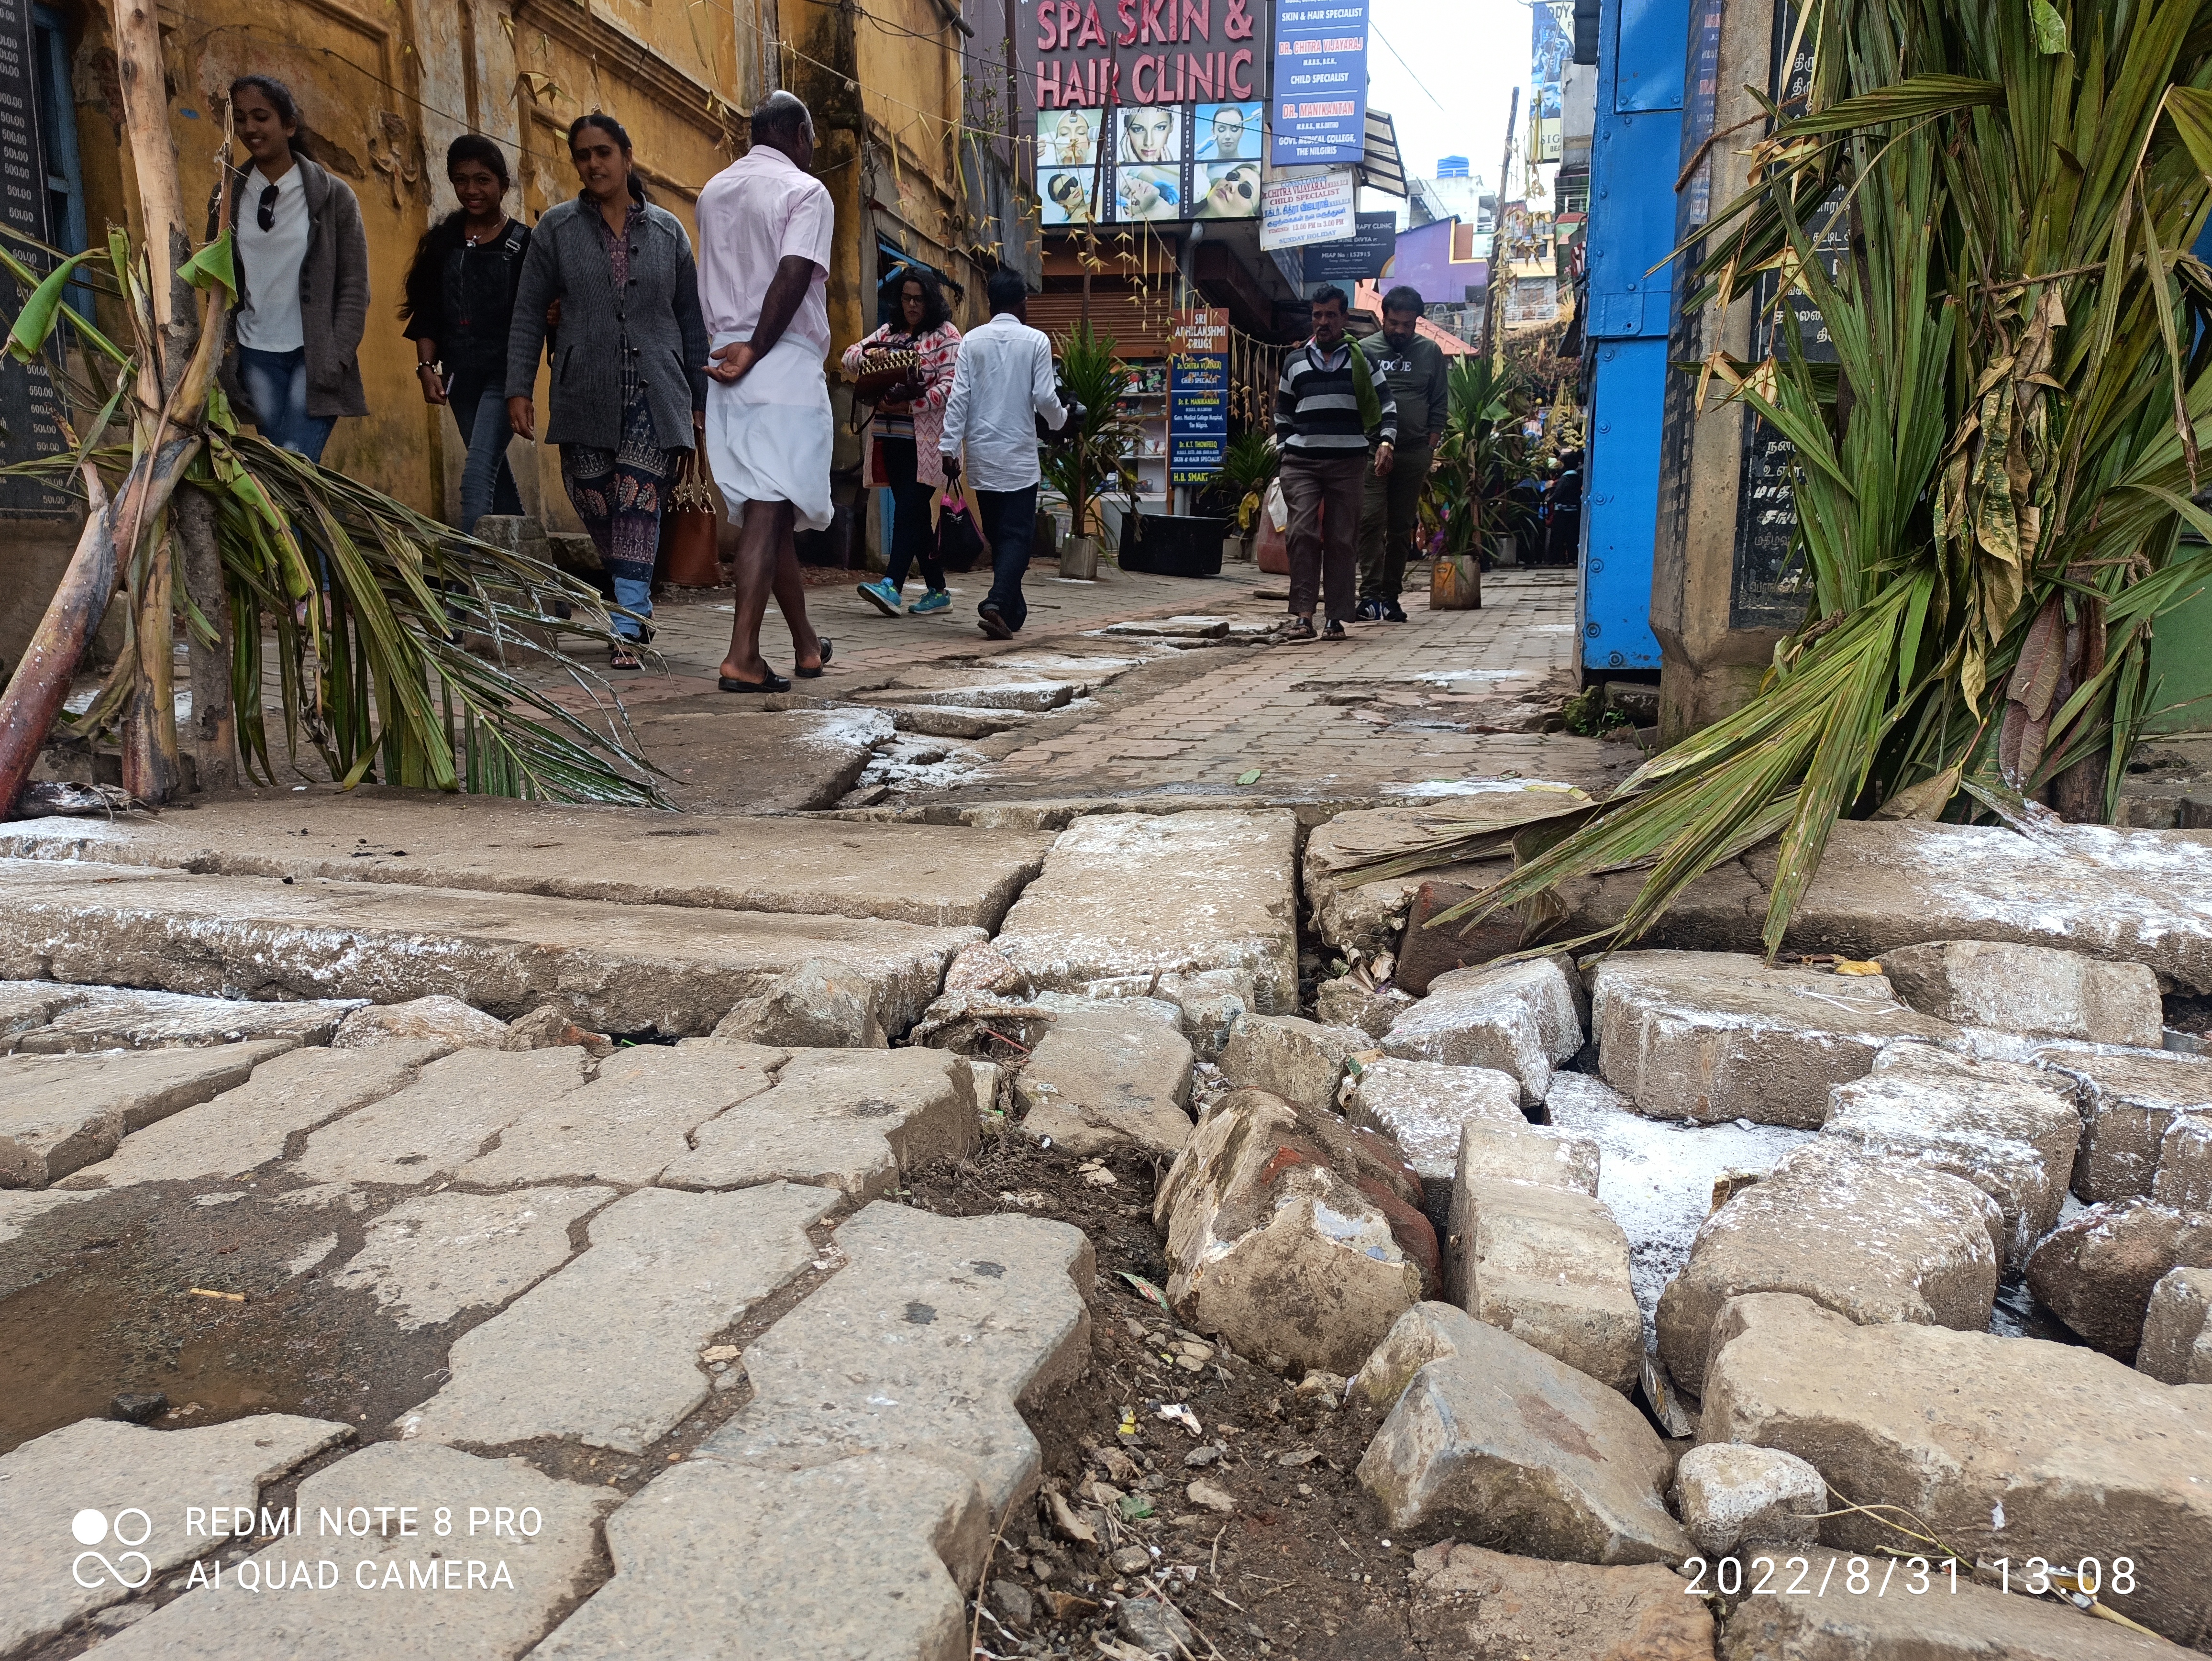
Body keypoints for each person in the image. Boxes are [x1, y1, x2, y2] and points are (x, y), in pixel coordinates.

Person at [506, 112, 708, 669]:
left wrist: (698, 401)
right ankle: (629, 592)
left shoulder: (668, 231)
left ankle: (630, 622)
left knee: (638, 499)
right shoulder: (556, 229)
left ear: (627, 155)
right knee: (593, 493)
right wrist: (518, 388)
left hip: (656, 388)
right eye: (583, 155)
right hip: (583, 385)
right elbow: (527, 311)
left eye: (603, 152)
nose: (593, 164)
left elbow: (691, 320)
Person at [696, 91, 835, 693]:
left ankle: (806, 645)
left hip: (724, 360)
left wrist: (739, 346)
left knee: (767, 509)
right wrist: (757, 345)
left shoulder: (713, 190)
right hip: (775, 358)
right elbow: (794, 270)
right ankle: (742, 655)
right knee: (768, 507)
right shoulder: (806, 191)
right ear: (799, 134)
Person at [217, 75, 369, 465]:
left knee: (294, 460)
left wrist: (338, 355)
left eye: (261, 117)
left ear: (288, 125)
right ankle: (306, 529)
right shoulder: (227, 196)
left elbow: (355, 287)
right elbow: (217, 277)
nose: (250, 128)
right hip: (255, 356)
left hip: (313, 355)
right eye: (241, 118)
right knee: (279, 471)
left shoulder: (333, 196)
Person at [401, 135, 532, 532]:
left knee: (476, 477)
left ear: (503, 185)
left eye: (482, 180)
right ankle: (541, 579)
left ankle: (467, 581)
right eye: (461, 181)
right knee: (498, 481)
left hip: (503, 378)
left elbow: (538, 316)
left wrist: (521, 386)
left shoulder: (525, 244)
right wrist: (427, 367)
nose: (472, 190)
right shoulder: (442, 242)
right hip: (460, 378)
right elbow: (427, 311)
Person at [939, 268, 1067, 640]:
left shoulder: (972, 342)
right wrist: (1060, 422)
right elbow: (1045, 398)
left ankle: (1010, 608)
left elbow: (959, 397)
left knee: (1000, 534)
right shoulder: (1036, 341)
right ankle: (996, 602)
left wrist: (950, 447)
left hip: (982, 454)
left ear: (991, 303)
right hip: (1019, 456)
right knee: (1017, 538)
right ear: (1023, 303)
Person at [1274, 286, 1396, 640]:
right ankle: (1303, 615)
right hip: (1301, 463)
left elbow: (1386, 405)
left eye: (1330, 315)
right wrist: (1285, 449)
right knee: (1302, 533)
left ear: (1344, 318)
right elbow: (1283, 411)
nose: (1323, 322)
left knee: (1343, 539)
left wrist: (1386, 441)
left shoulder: (1363, 361)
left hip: (1348, 463)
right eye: (1317, 315)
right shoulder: (1295, 362)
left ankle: (1336, 618)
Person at [843, 269, 962, 618]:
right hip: (889, 437)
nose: (912, 305)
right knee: (914, 513)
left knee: (909, 509)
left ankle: (891, 584)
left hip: (928, 443)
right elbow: (850, 356)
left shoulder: (947, 336)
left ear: (932, 299)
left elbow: (952, 386)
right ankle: (938, 591)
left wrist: (912, 406)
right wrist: (872, 358)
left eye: (919, 299)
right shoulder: (889, 333)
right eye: (907, 298)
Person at [1355, 285, 1450, 621]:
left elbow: (1439, 402)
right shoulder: (1364, 351)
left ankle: (1391, 597)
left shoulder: (1431, 353)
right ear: (1384, 318)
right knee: (1370, 521)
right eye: (1394, 323)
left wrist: (1430, 446)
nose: (1400, 330)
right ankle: (1368, 597)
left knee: (1400, 528)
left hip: (1412, 453)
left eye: (1407, 325)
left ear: (1417, 323)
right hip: (1370, 452)